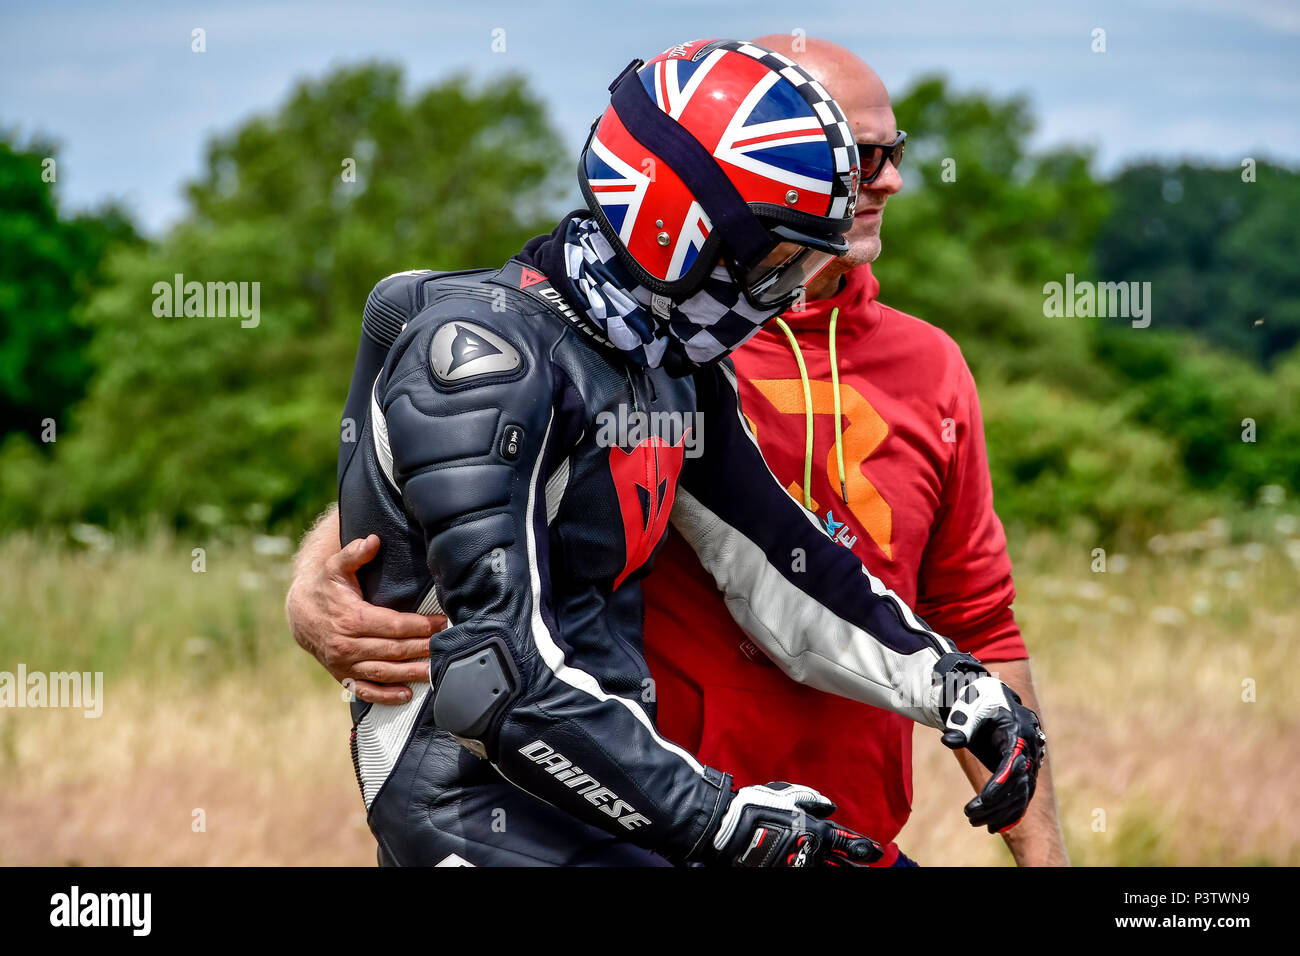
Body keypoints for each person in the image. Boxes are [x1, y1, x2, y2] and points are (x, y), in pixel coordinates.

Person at [291, 38, 1044, 867]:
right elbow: (493, 682)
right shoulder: (484, 356)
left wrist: (956, 688)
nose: (788, 289)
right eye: (778, 255)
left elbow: (781, 562)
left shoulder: (661, 356)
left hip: (632, 804)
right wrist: (717, 817)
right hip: (481, 813)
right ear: (673, 225)